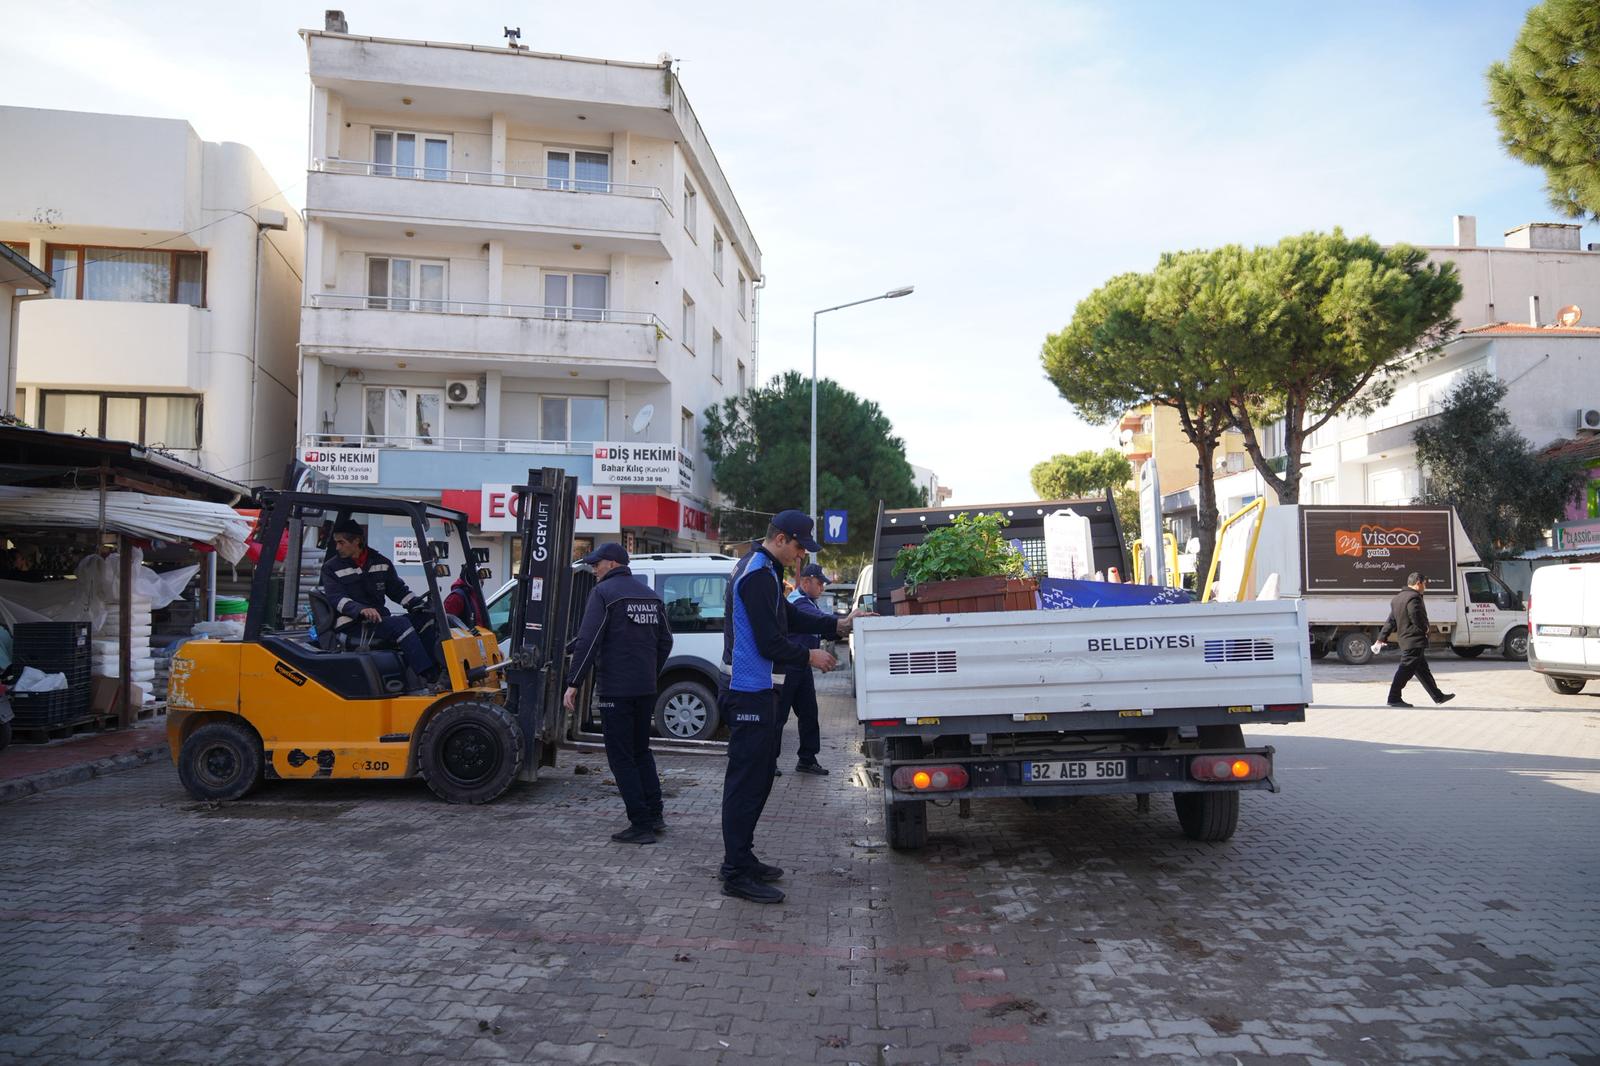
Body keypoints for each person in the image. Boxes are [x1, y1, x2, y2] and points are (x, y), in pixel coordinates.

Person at [720, 510, 862, 904]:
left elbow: (790, 615)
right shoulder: (756, 574)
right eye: (799, 547)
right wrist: (809, 657)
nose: (801, 557)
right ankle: (734, 871)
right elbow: (770, 640)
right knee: (746, 782)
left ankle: (742, 858)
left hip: (759, 690)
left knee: (761, 777)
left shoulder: (763, 569)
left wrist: (838, 625)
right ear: (780, 538)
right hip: (747, 690)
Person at [563, 543, 674, 845]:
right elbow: (666, 641)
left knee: (621, 757)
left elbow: (590, 640)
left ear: (612, 564)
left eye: (597, 564)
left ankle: (640, 825)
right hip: (645, 688)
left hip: (617, 689)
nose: (594, 569)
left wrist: (574, 682)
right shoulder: (650, 596)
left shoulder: (603, 594)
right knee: (641, 752)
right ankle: (655, 814)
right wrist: (650, 672)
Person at [321, 519, 442, 683]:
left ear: (356, 541)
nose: (337, 547)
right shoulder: (331, 568)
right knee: (400, 625)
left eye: (341, 542)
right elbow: (337, 598)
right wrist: (360, 610)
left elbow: (398, 591)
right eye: (337, 543)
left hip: (378, 621)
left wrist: (419, 605)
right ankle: (429, 677)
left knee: (427, 619)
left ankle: (439, 669)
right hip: (353, 625)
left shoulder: (381, 562)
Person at [777, 562, 831, 776]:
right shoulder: (799, 603)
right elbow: (818, 621)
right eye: (820, 583)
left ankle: (807, 759)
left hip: (802, 666)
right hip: (789, 666)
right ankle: (768, 762)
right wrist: (842, 623)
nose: (822, 588)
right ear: (806, 581)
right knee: (778, 716)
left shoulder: (808, 601)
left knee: (809, 714)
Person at [1372, 572, 1455, 708]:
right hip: (1414, 640)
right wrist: (1425, 628)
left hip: (1406, 640)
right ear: (1418, 583)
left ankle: (1438, 696)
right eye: (1424, 584)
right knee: (1405, 669)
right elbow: (1415, 615)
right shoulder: (1414, 598)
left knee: (1423, 670)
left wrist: (1381, 639)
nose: (1425, 587)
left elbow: (1390, 622)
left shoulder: (1397, 598)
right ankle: (1393, 698)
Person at [443, 565, 490, 630]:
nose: (482, 581)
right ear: (469, 577)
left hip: (480, 638)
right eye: (480, 578)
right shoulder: (456, 597)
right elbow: (446, 625)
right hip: (466, 639)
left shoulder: (475, 596)